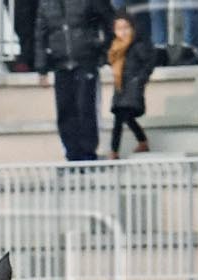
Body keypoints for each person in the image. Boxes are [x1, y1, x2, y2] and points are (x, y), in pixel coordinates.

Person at [35, 0, 115, 162]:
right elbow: (41, 36)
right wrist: (42, 68)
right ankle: (72, 154)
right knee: (65, 111)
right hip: (60, 64)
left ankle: (88, 153)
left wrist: (102, 51)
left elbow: (109, 20)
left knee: (86, 108)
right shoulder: (45, 3)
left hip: (86, 61)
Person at [109, 12, 154, 158]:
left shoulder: (137, 46)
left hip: (132, 86)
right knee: (123, 117)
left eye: (126, 28)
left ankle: (114, 151)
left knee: (121, 117)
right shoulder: (116, 47)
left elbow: (148, 63)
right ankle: (142, 141)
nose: (123, 32)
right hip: (121, 87)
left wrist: (140, 79)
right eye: (119, 28)